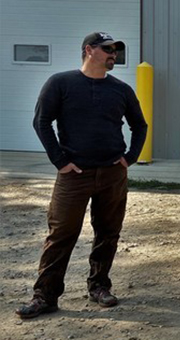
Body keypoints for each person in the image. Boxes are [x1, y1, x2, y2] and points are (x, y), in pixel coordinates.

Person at [15, 32, 148, 319]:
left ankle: (99, 286)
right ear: (89, 50)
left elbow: (140, 126)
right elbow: (42, 121)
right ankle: (45, 296)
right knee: (61, 234)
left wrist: (129, 158)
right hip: (74, 176)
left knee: (108, 232)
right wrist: (60, 161)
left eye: (115, 50)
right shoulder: (61, 83)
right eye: (107, 49)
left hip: (113, 174)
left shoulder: (121, 90)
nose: (113, 54)